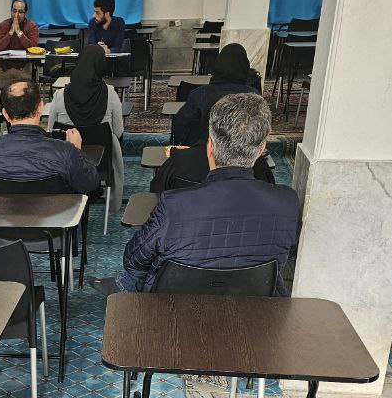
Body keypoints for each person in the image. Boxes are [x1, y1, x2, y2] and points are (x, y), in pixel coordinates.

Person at [106, 92, 299, 295]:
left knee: (134, 277)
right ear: (261, 149)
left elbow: (133, 259)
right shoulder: (287, 202)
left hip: (174, 308)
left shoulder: (174, 206)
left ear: (210, 146)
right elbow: (290, 251)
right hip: (255, 308)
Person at [0, 78, 101, 197]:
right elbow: (89, 184)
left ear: (5, 114)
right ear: (40, 107)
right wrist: (76, 150)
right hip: (55, 211)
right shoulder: (65, 151)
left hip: (2, 210)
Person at [46, 45, 124, 202]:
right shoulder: (110, 93)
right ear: (101, 65)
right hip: (102, 161)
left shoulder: (60, 95)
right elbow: (118, 131)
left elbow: (50, 130)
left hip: (67, 161)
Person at [170, 42, 260, 146]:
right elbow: (260, 129)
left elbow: (180, 126)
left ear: (218, 65)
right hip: (243, 152)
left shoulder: (198, 94)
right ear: (245, 66)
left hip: (202, 151)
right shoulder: (253, 95)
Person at [148, 138, 275, 193]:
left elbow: (156, 195)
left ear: (210, 145)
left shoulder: (176, 163)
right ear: (261, 148)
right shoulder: (262, 170)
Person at [0, 0, 40, 69]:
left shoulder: (32, 26)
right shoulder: (3, 25)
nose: (16, 15)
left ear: (25, 13)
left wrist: (19, 33)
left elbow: (34, 48)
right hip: (4, 66)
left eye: (20, 12)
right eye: (14, 11)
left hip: (24, 65)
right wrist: (10, 33)